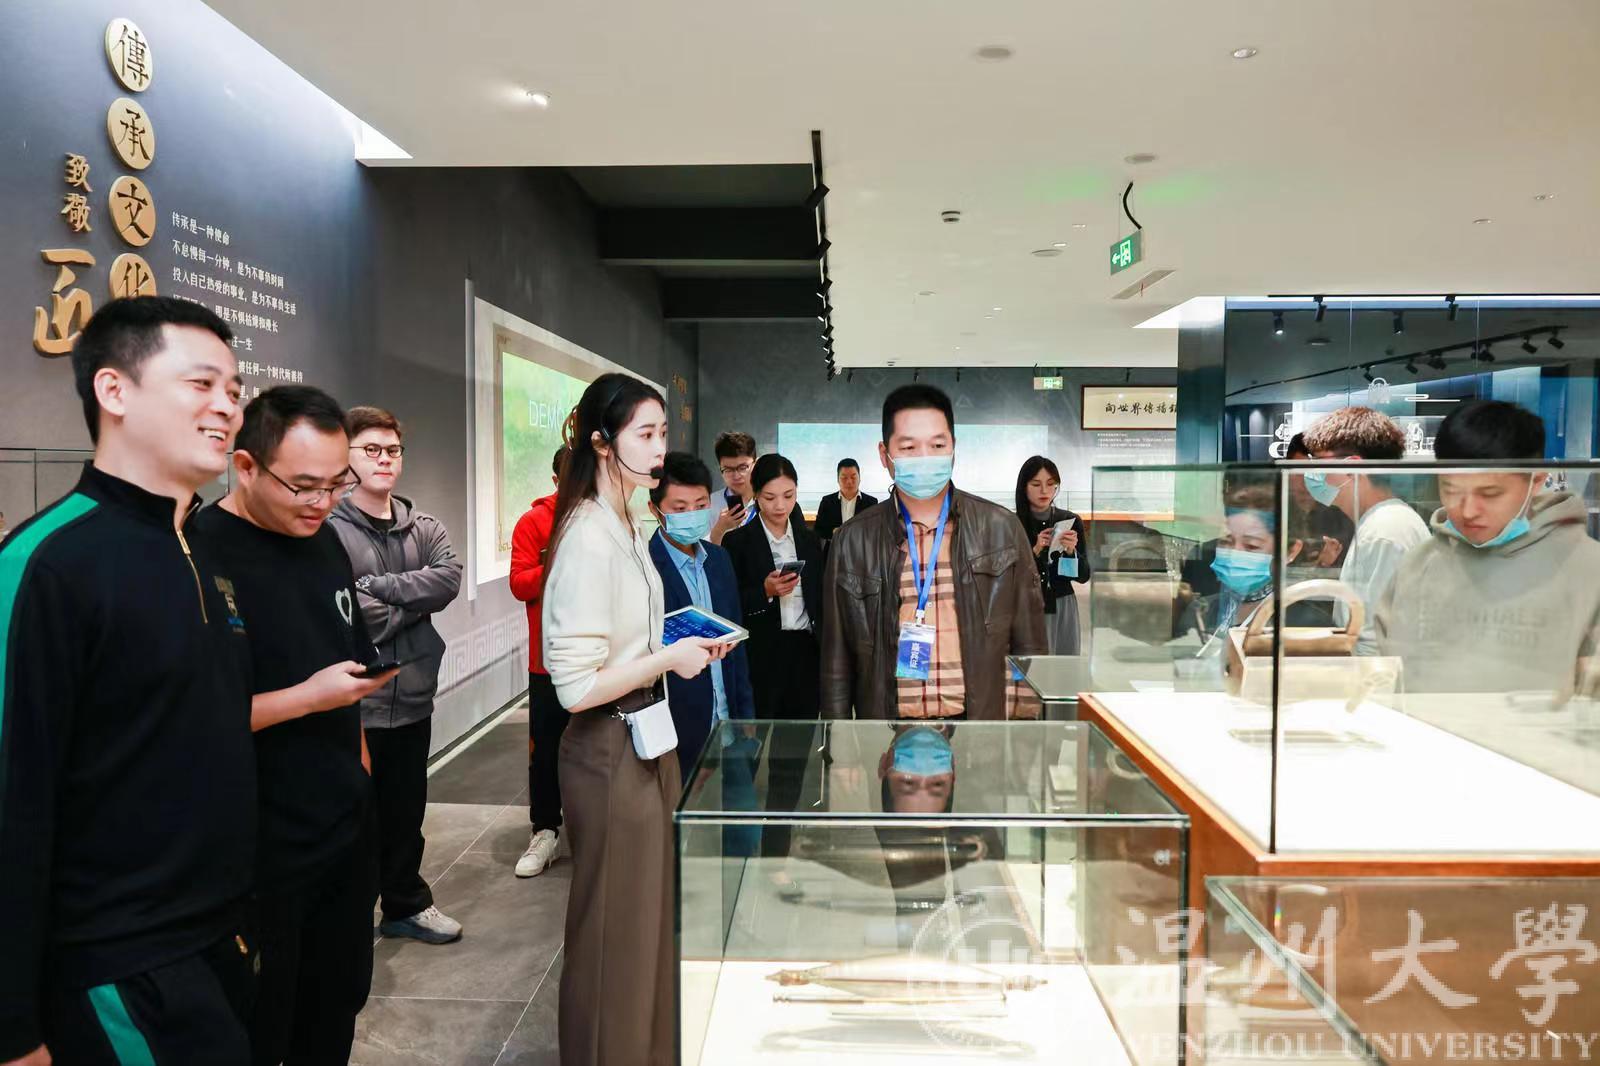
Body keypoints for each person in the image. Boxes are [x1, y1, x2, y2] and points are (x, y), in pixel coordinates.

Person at [0, 297, 256, 1066]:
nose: (227, 407)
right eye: (201, 384)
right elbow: (12, 797)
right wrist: (12, 1028)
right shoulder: (47, 563)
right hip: (116, 963)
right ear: (114, 390)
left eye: (234, 390)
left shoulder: (200, 550)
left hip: (217, 935)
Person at [193, 386, 395, 1066]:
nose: (322, 502)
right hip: (258, 843)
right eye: (304, 486)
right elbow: (187, 721)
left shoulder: (326, 541)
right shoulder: (198, 555)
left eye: (336, 485)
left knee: (335, 1003)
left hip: (342, 823)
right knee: (263, 1021)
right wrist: (306, 699)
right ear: (245, 467)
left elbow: (346, 659)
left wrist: (359, 765)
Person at [541, 373, 730, 1066]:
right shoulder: (588, 535)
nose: (658, 450)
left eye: (662, 434)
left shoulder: (624, 523)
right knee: (612, 932)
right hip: (609, 747)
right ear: (601, 442)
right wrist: (667, 659)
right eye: (644, 435)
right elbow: (574, 687)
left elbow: (629, 639)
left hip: (646, 734)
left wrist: (675, 647)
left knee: (647, 921)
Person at [822, 384, 1046, 721]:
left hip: (977, 728)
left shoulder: (1001, 529)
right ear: (884, 454)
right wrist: (840, 742)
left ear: (954, 448)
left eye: (938, 445)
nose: (925, 457)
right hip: (888, 732)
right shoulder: (852, 541)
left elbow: (1029, 646)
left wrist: (1023, 732)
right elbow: (836, 663)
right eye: (909, 447)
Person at [329, 406, 465, 942]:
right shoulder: (330, 531)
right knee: (355, 818)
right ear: (347, 457)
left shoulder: (424, 527)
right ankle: (348, 916)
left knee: (407, 812)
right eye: (371, 449)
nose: (383, 459)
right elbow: (353, 618)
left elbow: (447, 581)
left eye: (392, 450)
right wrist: (413, 599)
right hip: (355, 704)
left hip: (413, 694)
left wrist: (378, 588)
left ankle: (406, 904)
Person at [1379, 401, 1600, 696]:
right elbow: (1386, 674)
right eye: (1450, 490)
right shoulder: (1418, 565)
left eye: (1490, 493)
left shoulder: (1588, 569)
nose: (1468, 510)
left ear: (1536, 480)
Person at [724, 454, 826, 864]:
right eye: (769, 497)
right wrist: (764, 593)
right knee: (747, 757)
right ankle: (737, 851)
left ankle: (775, 854)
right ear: (755, 495)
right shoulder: (738, 543)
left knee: (791, 762)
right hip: (760, 661)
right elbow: (729, 606)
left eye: (788, 495)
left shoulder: (809, 541)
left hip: (804, 657)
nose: (780, 505)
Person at [646, 451, 757, 781]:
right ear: (655, 510)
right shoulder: (645, 568)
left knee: (741, 812)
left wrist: (746, 714)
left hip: (730, 725)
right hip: (678, 730)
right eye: (679, 509)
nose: (692, 515)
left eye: (699, 505)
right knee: (683, 812)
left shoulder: (719, 560)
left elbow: (737, 641)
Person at [1300, 407, 1429, 654]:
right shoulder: (1378, 523)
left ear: (1352, 468)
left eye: (1318, 462)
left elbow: (1373, 644)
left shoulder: (1385, 532)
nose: (1311, 472)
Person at [508, 446, 567, 877]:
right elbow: (519, 583)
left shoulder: (609, 519)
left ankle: (598, 827)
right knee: (545, 751)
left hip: (603, 661)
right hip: (548, 661)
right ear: (556, 481)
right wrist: (558, 566)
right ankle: (545, 830)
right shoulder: (533, 522)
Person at [1015, 456, 1090, 655]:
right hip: (1026, 607)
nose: (1044, 491)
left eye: (1050, 484)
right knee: (1029, 666)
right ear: (1024, 487)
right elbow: (1009, 577)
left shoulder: (1070, 520)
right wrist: (1035, 550)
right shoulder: (1012, 523)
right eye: (1036, 484)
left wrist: (1070, 552)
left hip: (1063, 605)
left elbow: (1083, 576)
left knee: (1063, 666)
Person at [1284, 432, 1354, 568]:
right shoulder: (1275, 510)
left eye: (1315, 475)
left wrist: (1327, 564)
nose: (1305, 483)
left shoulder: (1342, 518)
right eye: (1299, 473)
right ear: (1287, 472)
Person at [814, 458, 880, 547]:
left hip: (861, 552)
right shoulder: (827, 502)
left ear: (859, 478)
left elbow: (876, 531)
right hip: (834, 551)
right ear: (838, 480)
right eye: (844, 478)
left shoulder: (871, 503)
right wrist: (833, 532)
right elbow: (818, 530)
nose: (849, 482)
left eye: (853, 477)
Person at [708, 430, 758, 545]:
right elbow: (700, 551)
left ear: (755, 465)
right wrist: (719, 530)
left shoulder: (768, 500)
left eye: (743, 467)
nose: (736, 476)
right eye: (728, 469)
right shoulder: (709, 504)